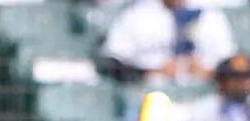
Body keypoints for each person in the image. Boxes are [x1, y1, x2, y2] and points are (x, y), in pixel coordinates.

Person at [99, 0, 236, 82]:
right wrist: (150, 72)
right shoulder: (135, 15)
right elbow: (111, 64)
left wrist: (211, 73)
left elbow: (233, 63)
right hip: (148, 97)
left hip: (203, 99)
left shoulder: (211, 14)